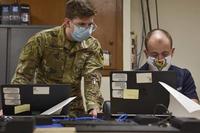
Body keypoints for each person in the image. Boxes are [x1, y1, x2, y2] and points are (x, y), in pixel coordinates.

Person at [11, 0, 104, 117]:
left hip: (74, 110)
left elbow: (92, 78)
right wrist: (11, 106)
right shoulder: (42, 40)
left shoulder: (92, 45)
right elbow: (23, 76)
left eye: (90, 24)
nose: (87, 29)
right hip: (43, 107)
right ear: (67, 22)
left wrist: (93, 106)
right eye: (81, 24)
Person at [140, 29, 199, 103]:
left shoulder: (184, 75)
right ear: (146, 53)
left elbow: (194, 103)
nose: (160, 59)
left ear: (172, 52)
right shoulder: (134, 78)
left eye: (165, 54)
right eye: (154, 55)